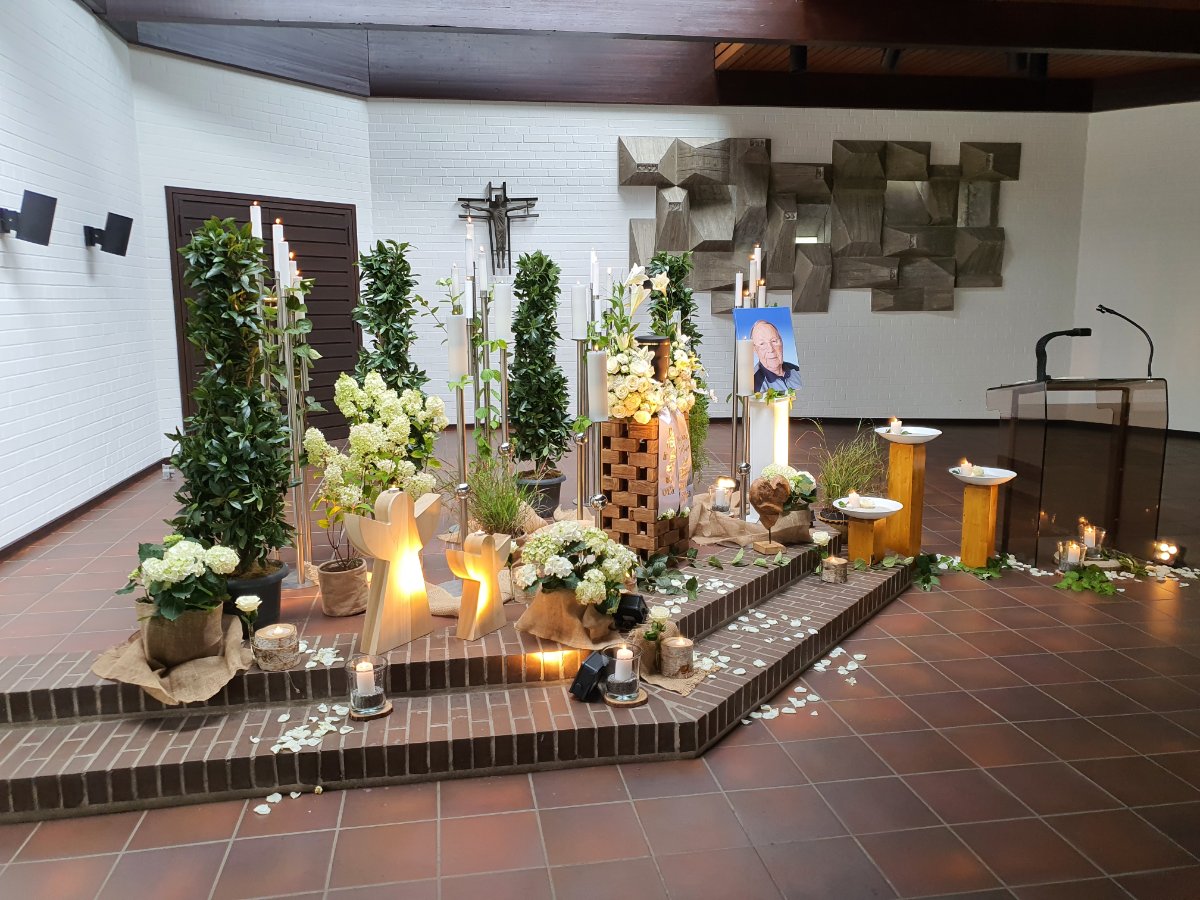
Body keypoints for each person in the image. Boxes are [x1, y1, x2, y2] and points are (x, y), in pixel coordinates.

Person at [750, 319, 802, 393]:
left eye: (774, 341)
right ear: (754, 349)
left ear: (781, 342)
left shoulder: (797, 370)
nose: (771, 349)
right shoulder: (753, 384)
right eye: (762, 344)